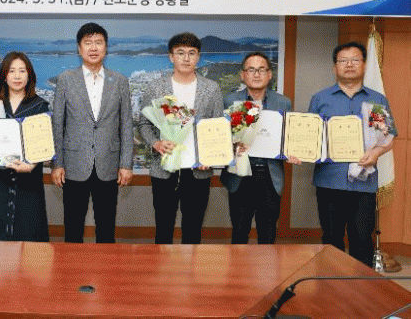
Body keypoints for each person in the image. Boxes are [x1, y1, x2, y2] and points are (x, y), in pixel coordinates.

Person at [308, 42, 395, 266]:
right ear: (334, 67)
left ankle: (360, 286)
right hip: (329, 180)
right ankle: (330, 283)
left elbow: (387, 136)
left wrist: (377, 152)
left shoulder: (376, 100)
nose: (349, 65)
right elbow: (309, 136)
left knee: (362, 239)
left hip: (364, 182)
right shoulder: (321, 99)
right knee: (331, 239)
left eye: (355, 60)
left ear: (364, 65)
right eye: (343, 60)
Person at [138, 32, 223, 244]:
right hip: (164, 169)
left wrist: (210, 157)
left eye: (192, 53)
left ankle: (190, 267)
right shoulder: (156, 87)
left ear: (198, 57)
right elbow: (143, 124)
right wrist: (155, 143)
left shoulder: (211, 88)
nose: (186, 58)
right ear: (171, 57)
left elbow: (217, 127)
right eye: (180, 53)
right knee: (163, 229)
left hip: (198, 170)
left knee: (193, 231)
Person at [51, 22, 133, 244]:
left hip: (109, 164)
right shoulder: (66, 79)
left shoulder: (120, 81)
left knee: (106, 230)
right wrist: (57, 163)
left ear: (106, 47)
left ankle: (106, 267)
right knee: (73, 229)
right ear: (79, 49)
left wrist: (126, 164)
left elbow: (126, 124)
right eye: (88, 43)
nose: (93, 48)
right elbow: (58, 124)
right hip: (74, 164)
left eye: (98, 42)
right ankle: (71, 266)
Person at [221, 52, 293, 244]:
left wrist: (293, 150)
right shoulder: (229, 101)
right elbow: (220, 137)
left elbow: (289, 137)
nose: (256, 74)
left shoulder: (283, 102)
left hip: (270, 174)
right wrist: (232, 146)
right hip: (239, 175)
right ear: (243, 75)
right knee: (239, 232)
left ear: (269, 75)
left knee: (268, 233)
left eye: (262, 69)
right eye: (251, 69)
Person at [0, 52, 50, 242]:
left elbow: (44, 145)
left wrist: (31, 165)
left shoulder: (40, 106)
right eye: (12, 71)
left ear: (29, 75)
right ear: (4, 75)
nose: (17, 76)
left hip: (29, 180)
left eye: (22, 71)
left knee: (28, 233)